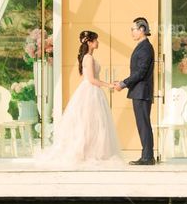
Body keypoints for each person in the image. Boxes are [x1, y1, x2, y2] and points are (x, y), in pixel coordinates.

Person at [35, 30, 123, 166]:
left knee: (91, 123)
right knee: (89, 123)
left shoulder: (88, 57)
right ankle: (87, 152)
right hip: (91, 92)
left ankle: (90, 151)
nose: (97, 42)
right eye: (95, 40)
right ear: (89, 42)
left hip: (91, 91)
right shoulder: (88, 58)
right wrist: (109, 85)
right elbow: (92, 79)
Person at [114, 17, 155, 165]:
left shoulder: (145, 48)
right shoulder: (142, 46)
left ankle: (147, 157)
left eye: (133, 29)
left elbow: (140, 73)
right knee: (143, 124)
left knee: (143, 124)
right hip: (139, 91)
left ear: (142, 29)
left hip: (142, 92)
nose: (131, 32)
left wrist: (124, 83)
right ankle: (147, 155)